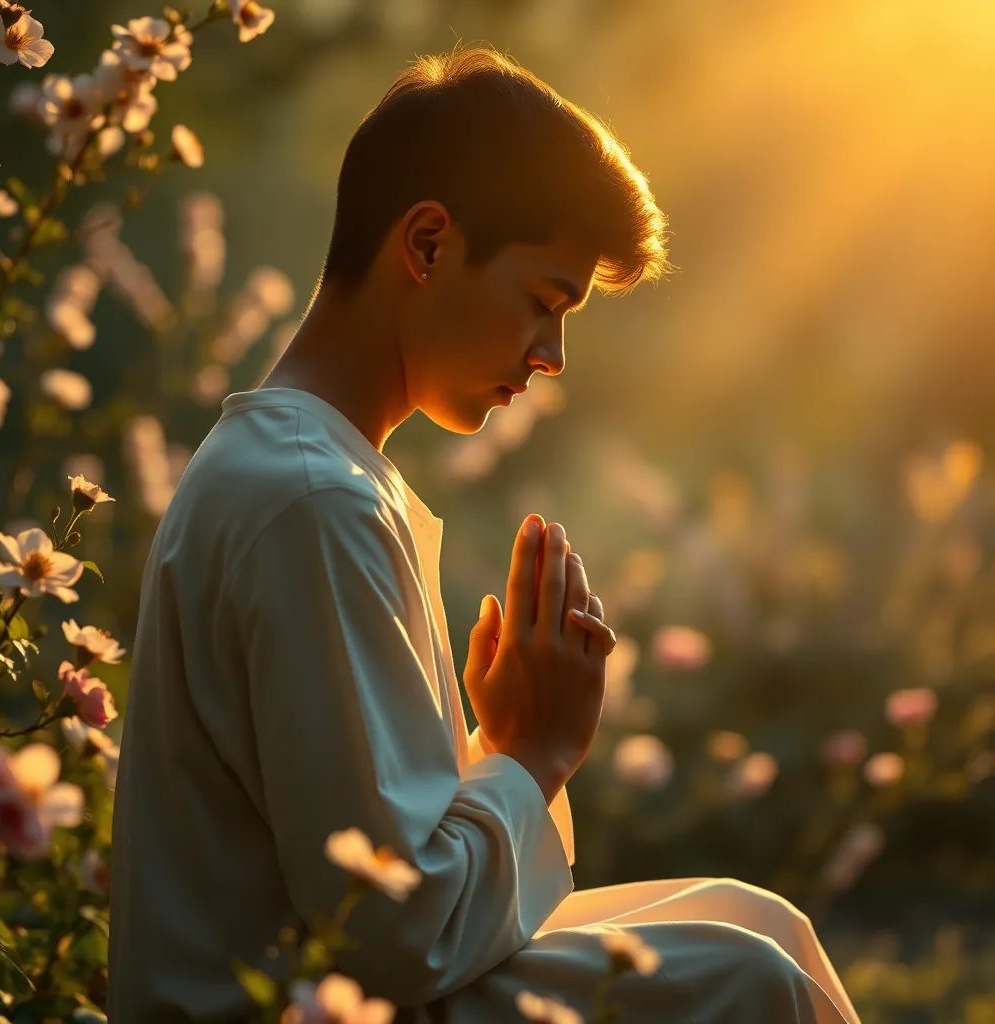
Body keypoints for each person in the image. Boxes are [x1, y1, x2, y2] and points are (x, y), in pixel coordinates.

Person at [108, 44, 861, 1023]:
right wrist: (531, 751)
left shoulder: (316, 471)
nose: (550, 356)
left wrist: (490, 747)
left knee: (761, 922)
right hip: (288, 1007)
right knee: (751, 980)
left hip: (327, 985)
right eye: (544, 302)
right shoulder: (310, 496)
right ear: (426, 245)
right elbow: (394, 933)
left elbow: (371, 867)